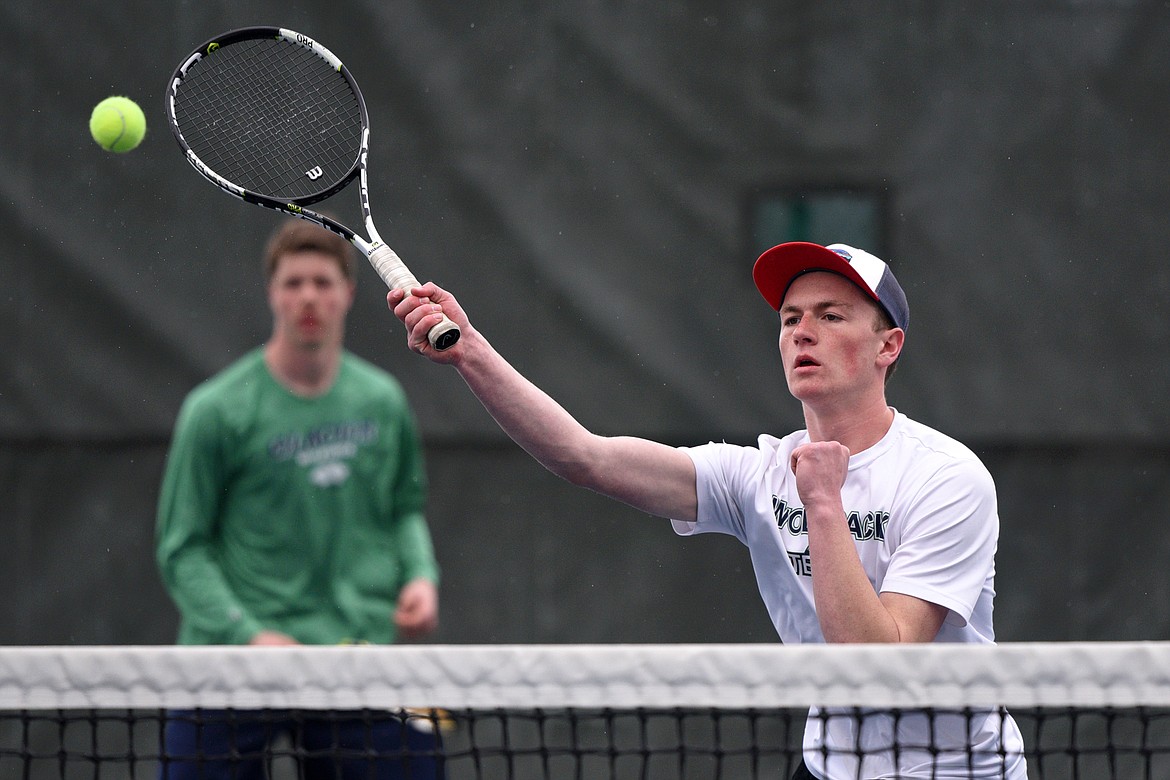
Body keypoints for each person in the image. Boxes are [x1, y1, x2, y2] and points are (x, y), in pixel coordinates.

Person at [388, 241, 1027, 780]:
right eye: (790, 318)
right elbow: (587, 458)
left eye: (832, 315)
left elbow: (879, 667)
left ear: (888, 346)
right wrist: (469, 350)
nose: (802, 330)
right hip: (829, 765)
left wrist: (824, 504)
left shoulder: (947, 479)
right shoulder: (754, 475)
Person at [156, 218, 444, 780]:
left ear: (349, 293)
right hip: (232, 666)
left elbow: (403, 508)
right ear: (272, 293)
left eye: (322, 281)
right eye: (293, 283)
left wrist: (420, 576)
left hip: (352, 655)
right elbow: (183, 549)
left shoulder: (382, 400)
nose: (308, 296)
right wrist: (249, 634)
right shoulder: (214, 412)